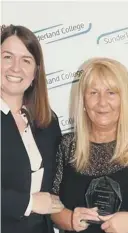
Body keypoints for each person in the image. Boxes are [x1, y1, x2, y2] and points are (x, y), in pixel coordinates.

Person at [51, 57, 128, 233]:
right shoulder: (67, 146)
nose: (102, 102)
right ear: (83, 101)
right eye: (93, 93)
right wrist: (70, 219)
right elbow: (52, 204)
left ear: (125, 99)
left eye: (111, 93)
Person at [1, 25, 64, 233]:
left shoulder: (46, 120)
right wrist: (28, 203)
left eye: (26, 60)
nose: (15, 68)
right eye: (7, 57)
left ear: (36, 71)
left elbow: (58, 182)